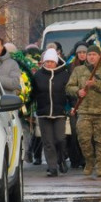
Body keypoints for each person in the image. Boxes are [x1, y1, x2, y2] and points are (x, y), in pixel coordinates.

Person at [66, 45, 101, 177]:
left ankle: (100, 165)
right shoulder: (78, 70)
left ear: (99, 56)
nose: (91, 57)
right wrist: (78, 91)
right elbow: (69, 87)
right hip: (84, 111)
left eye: (94, 54)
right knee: (83, 138)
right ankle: (89, 161)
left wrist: (96, 84)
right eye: (89, 55)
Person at [31, 48, 70, 177]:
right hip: (43, 113)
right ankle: (52, 167)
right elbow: (33, 93)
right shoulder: (38, 75)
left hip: (59, 112)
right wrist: (27, 106)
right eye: (47, 61)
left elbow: (69, 92)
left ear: (56, 62)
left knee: (60, 138)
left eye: (51, 61)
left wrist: (72, 107)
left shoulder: (64, 75)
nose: (49, 64)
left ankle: (61, 158)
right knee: (48, 142)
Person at [65, 44, 88, 169]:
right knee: (74, 134)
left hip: (88, 105)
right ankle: (75, 159)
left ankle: (85, 158)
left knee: (85, 134)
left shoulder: (92, 68)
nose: (82, 54)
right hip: (74, 105)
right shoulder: (71, 68)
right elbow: (67, 87)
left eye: (85, 52)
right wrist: (71, 104)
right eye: (80, 52)